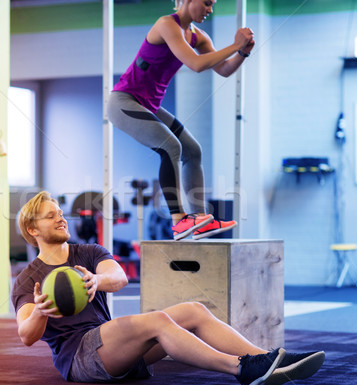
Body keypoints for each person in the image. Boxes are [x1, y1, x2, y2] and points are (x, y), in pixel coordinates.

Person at [11, 191, 325, 385]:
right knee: (159, 320)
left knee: (194, 310)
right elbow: (26, 335)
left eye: (59, 211)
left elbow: (117, 276)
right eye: (50, 215)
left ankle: (269, 361)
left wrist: (96, 279)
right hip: (80, 358)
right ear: (33, 230)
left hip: (115, 349)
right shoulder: (29, 280)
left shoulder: (89, 252)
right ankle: (242, 368)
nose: (61, 217)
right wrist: (40, 310)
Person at [107, 0, 250, 240]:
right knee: (170, 145)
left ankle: (200, 220)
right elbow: (195, 64)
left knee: (193, 150)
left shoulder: (199, 37)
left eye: (212, 5)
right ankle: (178, 219)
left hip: (149, 106)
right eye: (206, 3)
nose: (210, 10)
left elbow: (223, 69)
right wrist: (235, 45)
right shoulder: (166, 25)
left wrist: (243, 53)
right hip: (123, 102)